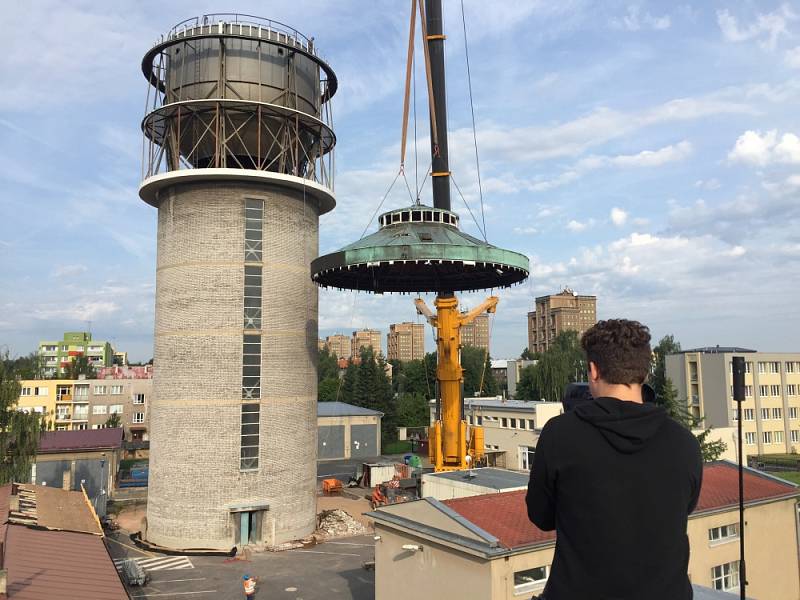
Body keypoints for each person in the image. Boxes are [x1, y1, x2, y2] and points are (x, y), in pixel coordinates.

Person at [526, 319, 702, 600]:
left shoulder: (560, 435)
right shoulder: (684, 442)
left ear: (594, 370)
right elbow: (683, 508)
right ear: (644, 372)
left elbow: (541, 516)